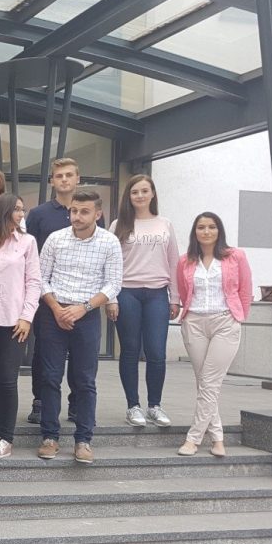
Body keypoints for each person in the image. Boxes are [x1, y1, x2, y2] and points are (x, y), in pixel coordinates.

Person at [36, 190, 123, 464]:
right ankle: (49, 437)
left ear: (98, 214)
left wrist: (83, 307)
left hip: (87, 315)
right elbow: (41, 278)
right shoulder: (55, 239)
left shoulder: (109, 242)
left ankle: (84, 439)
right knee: (50, 377)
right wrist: (56, 308)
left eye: (84, 212)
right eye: (74, 211)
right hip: (54, 313)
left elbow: (113, 284)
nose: (77, 216)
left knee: (85, 380)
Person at [24, 157, 102, 425]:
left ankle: (76, 403)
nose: (65, 179)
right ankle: (41, 402)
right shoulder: (38, 214)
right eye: (59, 176)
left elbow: (101, 258)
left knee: (82, 358)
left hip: (83, 299)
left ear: (77, 178)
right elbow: (30, 253)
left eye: (69, 175)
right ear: (52, 181)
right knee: (43, 353)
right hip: (48, 296)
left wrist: (107, 299)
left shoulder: (92, 211)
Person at [175, 212, 252, 457]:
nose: (206, 231)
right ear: (195, 232)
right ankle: (217, 438)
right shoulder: (185, 260)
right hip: (194, 323)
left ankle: (193, 439)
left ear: (219, 230)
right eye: (201, 227)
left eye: (211, 227)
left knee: (209, 382)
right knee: (205, 383)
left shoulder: (235, 256)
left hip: (225, 321)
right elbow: (184, 291)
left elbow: (245, 290)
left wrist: (238, 317)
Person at [109, 174, 180, 428]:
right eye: (134, 192)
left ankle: (154, 406)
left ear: (152, 194)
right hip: (127, 292)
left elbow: (174, 261)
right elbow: (110, 263)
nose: (139, 195)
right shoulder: (118, 224)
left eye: (144, 191)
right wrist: (111, 298)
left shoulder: (165, 224)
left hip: (157, 294)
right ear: (128, 196)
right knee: (130, 350)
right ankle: (133, 406)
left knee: (156, 351)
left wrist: (175, 298)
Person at [0, 194, 41, 460]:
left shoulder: (27, 242)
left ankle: (5, 438)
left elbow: (34, 282)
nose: (21, 214)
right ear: (3, 212)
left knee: (6, 379)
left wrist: (27, 317)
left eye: (22, 210)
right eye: (16, 209)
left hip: (15, 322)